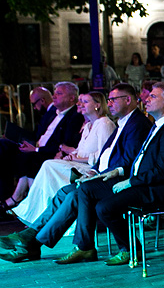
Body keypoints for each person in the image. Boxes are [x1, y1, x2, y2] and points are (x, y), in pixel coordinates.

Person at [0, 84, 151, 263]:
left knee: (77, 192)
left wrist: (99, 174)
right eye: (108, 100)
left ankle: (36, 242)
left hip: (120, 179)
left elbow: (129, 160)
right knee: (66, 191)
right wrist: (94, 171)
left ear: (128, 100)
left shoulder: (136, 123)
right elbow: (105, 154)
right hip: (103, 173)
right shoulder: (122, 122)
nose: (109, 103)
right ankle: (32, 241)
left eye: (113, 99)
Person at [70, 83, 164, 265]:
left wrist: (131, 182)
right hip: (144, 182)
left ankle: (131, 249)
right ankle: (85, 246)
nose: (146, 99)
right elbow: (139, 160)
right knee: (88, 188)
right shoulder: (157, 125)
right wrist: (118, 173)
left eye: (153, 97)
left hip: (159, 188)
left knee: (105, 207)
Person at [8, 92, 115, 221]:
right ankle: (40, 213)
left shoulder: (104, 124)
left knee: (49, 165)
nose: (80, 105)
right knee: (49, 165)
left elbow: (104, 156)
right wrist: (70, 156)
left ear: (97, 105)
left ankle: (37, 213)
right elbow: (80, 150)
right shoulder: (88, 126)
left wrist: (74, 158)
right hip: (79, 163)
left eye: (85, 102)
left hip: (91, 169)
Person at [0, 82, 84, 203]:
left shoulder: (74, 116)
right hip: (35, 146)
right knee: (3, 145)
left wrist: (36, 149)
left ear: (72, 98)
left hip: (45, 152)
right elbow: (38, 135)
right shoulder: (53, 114)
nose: (54, 96)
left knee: (27, 158)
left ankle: (24, 200)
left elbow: (64, 143)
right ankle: (8, 196)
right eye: (54, 93)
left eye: (59, 93)